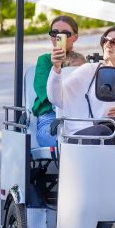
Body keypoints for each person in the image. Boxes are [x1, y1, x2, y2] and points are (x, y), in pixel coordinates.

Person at [48, 24, 115, 208]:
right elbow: (57, 97)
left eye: (113, 41)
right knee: (104, 130)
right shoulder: (89, 70)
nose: (107, 45)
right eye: (104, 40)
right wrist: (56, 69)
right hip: (85, 132)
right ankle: (109, 190)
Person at [31, 15, 86, 148]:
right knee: (56, 139)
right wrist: (56, 65)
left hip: (78, 116)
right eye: (54, 33)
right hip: (51, 116)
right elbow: (48, 94)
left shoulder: (81, 61)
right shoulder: (44, 60)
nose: (58, 37)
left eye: (65, 34)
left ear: (75, 37)